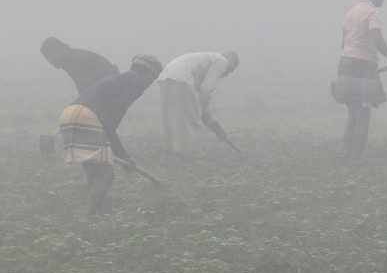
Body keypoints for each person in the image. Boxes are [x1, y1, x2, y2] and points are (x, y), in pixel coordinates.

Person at [58, 54, 162, 214]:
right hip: (86, 116)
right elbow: (110, 123)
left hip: (69, 113)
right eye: (152, 80)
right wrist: (124, 156)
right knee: (106, 174)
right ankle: (88, 220)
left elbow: (107, 123)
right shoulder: (137, 83)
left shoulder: (120, 79)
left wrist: (117, 151)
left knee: (94, 170)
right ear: (150, 74)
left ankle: (98, 213)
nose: (150, 84)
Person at [332, 0, 387, 158]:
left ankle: (345, 153)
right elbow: (377, 38)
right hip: (363, 68)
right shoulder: (372, 13)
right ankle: (356, 158)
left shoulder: (351, 13)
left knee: (353, 114)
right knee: (364, 114)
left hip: (346, 67)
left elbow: (344, 44)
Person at [157, 51, 240, 154]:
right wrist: (205, 113)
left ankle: (171, 155)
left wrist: (212, 120)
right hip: (181, 78)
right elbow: (205, 89)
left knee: (173, 119)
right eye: (230, 71)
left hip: (165, 77)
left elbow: (201, 95)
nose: (226, 75)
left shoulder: (210, 59)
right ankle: (189, 156)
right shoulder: (222, 61)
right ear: (230, 65)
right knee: (193, 122)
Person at [40, 37, 119, 95]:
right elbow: (80, 84)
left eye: (50, 57)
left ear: (59, 51)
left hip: (112, 85)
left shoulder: (77, 60)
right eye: (47, 59)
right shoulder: (68, 59)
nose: (50, 62)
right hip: (108, 84)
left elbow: (90, 84)